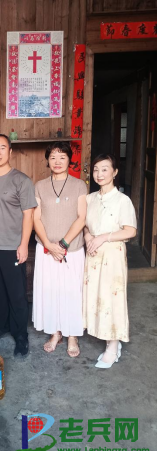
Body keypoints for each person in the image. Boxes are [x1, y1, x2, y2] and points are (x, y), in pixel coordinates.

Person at [0, 134, 37, 357]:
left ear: (10, 152)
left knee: (17, 294)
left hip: (12, 247)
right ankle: (2, 326)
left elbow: (28, 215)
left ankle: (21, 335)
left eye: (2, 148)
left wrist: (23, 245)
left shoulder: (21, 180)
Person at [32, 142, 87, 357]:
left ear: (69, 160)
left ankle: (72, 335)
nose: (57, 161)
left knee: (72, 292)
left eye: (62, 157)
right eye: (53, 157)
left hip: (71, 250)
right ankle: (55, 332)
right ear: (47, 160)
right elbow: (36, 217)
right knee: (50, 291)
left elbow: (81, 217)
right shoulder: (40, 185)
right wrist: (48, 244)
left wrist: (62, 244)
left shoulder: (79, 185)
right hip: (46, 249)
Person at [83, 154, 137, 369]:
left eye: (105, 169)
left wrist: (103, 237)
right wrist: (88, 236)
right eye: (96, 169)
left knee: (111, 299)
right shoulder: (90, 199)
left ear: (114, 172)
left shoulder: (122, 200)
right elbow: (84, 224)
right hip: (93, 254)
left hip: (112, 256)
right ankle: (104, 336)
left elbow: (130, 231)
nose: (99, 174)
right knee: (96, 298)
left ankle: (113, 346)